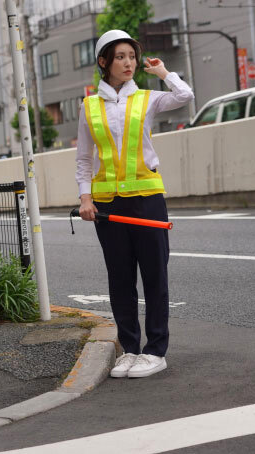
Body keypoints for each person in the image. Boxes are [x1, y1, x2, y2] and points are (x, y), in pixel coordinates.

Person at [76, 29, 194, 378]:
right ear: (104, 62)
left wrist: (163, 73)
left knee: (155, 277)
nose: (129, 63)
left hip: (147, 200)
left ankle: (156, 351)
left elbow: (185, 95)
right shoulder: (89, 106)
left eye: (132, 56)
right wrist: (85, 197)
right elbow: (84, 159)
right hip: (107, 206)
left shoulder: (147, 98)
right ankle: (130, 349)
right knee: (120, 279)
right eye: (121, 57)